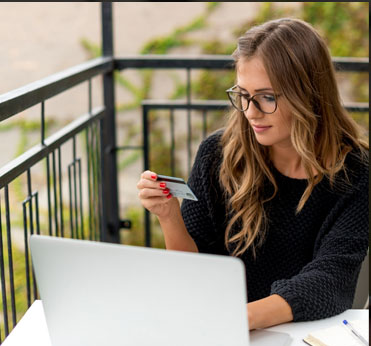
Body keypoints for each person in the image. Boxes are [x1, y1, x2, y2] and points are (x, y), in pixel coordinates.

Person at [136, 18, 369, 330]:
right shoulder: (217, 154)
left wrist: (236, 319)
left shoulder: (357, 172)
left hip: (291, 333)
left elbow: (330, 279)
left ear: (308, 94)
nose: (250, 111)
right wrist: (168, 215)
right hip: (220, 329)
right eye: (243, 94)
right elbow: (195, 273)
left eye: (267, 97)